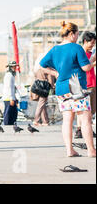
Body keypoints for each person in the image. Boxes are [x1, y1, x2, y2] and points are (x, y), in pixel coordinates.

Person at [40, 22, 96, 157]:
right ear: (72, 34)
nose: (77, 37)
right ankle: (91, 150)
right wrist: (93, 61)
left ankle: (69, 150)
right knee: (85, 118)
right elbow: (86, 68)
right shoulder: (76, 48)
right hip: (77, 88)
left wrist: (55, 73)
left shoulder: (54, 49)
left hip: (61, 88)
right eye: (77, 34)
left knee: (67, 120)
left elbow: (42, 65)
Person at [75, 31, 96, 139]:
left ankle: (87, 129)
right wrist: (93, 62)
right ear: (85, 41)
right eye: (91, 43)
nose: (93, 45)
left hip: (93, 83)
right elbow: (86, 67)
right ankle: (79, 129)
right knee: (83, 109)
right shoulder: (81, 53)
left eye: (94, 43)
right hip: (85, 84)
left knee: (91, 109)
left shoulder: (91, 53)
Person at [2, 61, 19, 125]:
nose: (15, 68)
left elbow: (12, 88)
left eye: (15, 66)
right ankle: (6, 126)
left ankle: (11, 125)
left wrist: (14, 97)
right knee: (8, 114)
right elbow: (9, 87)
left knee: (14, 113)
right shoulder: (9, 75)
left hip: (11, 97)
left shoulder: (11, 75)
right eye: (13, 66)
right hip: (8, 98)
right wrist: (11, 98)